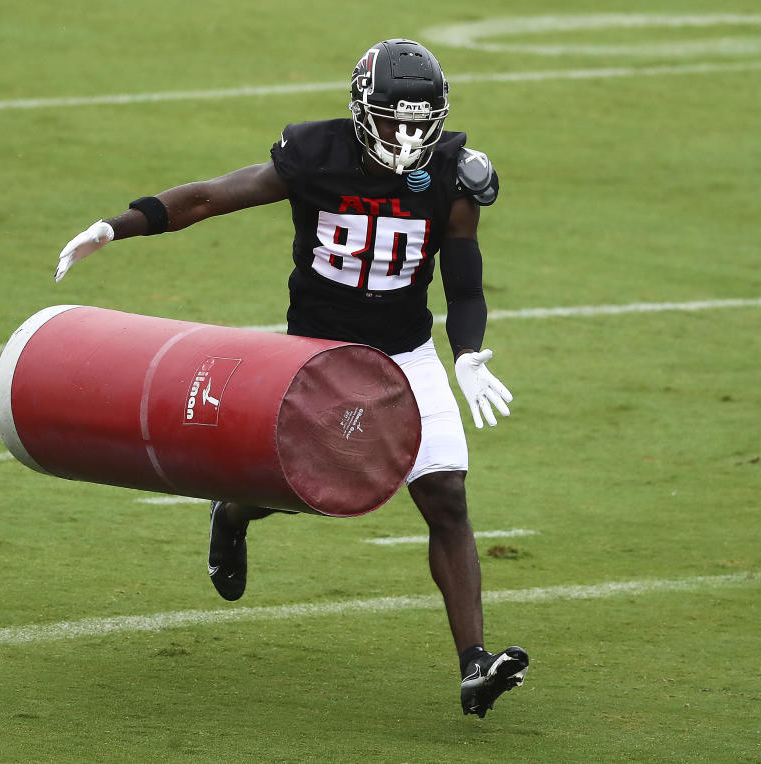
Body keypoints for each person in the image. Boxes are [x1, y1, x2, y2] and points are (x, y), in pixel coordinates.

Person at [54, 38, 528, 718]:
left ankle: (474, 665)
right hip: (318, 349)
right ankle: (234, 511)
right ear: (364, 112)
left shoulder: (454, 175)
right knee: (304, 488)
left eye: (422, 121)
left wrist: (470, 352)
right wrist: (116, 226)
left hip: (406, 350)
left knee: (446, 497)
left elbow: (465, 280)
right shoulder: (317, 155)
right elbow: (211, 198)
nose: (409, 134)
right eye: (395, 119)